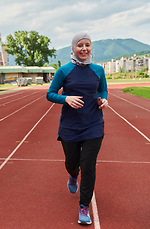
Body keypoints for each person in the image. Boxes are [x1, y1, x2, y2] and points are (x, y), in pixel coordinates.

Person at [46, 32, 108, 225]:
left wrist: (103, 99)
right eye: (80, 45)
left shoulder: (98, 70)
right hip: (70, 127)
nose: (84, 49)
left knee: (88, 166)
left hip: (93, 126)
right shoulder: (64, 71)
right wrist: (66, 98)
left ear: (91, 48)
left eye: (87, 45)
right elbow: (50, 94)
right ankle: (73, 176)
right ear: (73, 47)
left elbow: (103, 89)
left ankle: (84, 206)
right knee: (72, 163)